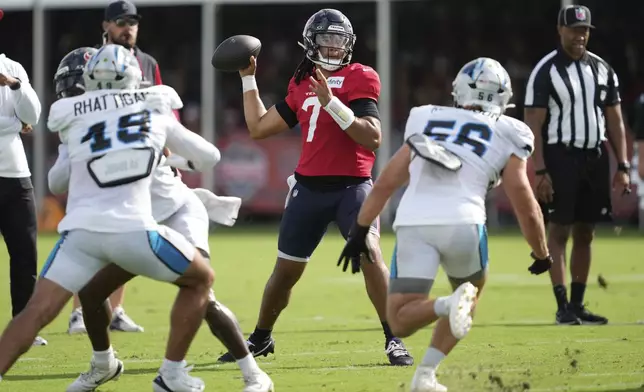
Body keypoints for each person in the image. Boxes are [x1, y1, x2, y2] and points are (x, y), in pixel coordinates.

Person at [48, 47, 273, 392]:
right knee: (92, 294)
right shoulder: (89, 126)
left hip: (176, 214)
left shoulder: (140, 112)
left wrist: (180, 160)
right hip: (137, 225)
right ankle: (103, 364)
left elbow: (195, 154)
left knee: (203, 296)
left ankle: (253, 374)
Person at [0, 45, 219, 392]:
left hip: (79, 235)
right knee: (202, 278)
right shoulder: (153, 108)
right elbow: (209, 157)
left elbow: (56, 182)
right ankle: (172, 375)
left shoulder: (72, 112)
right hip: (132, 228)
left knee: (35, 312)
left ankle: (104, 362)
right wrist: (169, 158)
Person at [338, 58, 553, 391]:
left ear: (458, 91)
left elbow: (386, 182)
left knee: (399, 319)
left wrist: (360, 229)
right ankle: (427, 371)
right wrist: (541, 252)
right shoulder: (510, 130)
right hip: (464, 224)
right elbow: (522, 198)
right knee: (469, 294)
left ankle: (441, 315)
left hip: (413, 224)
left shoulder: (427, 117)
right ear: (503, 97)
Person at [216, 8, 413, 366]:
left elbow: (372, 136)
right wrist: (248, 79)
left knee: (369, 252)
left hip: (352, 187)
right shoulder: (301, 82)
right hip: (308, 189)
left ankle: (394, 337)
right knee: (286, 272)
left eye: (340, 39)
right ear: (311, 42)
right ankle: (260, 338)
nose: (334, 46)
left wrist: (333, 104)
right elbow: (259, 127)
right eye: (327, 38)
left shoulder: (361, 76)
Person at [67, 0, 170, 334]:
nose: (128, 28)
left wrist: (166, 148)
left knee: (128, 228)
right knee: (87, 232)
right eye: (121, 22)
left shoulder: (147, 62)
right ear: (105, 26)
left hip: (133, 156)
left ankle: (117, 308)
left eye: (133, 22)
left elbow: (160, 107)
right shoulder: (87, 58)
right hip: (95, 153)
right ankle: (80, 312)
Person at [523, 5, 630, 325]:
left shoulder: (602, 69)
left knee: (587, 231)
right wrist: (539, 170)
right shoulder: (546, 71)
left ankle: (579, 303)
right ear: (560, 30)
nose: (579, 36)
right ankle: (562, 305)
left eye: (584, 31)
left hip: (594, 156)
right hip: (560, 156)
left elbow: (615, 120)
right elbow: (533, 124)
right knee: (559, 230)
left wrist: (622, 164)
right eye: (574, 30)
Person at [0, 47, 46, 346]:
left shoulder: (12, 67)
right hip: (12, 158)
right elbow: (22, 121)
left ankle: (24, 328)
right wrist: (14, 125)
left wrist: (15, 85)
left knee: (25, 255)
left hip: (15, 173)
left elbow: (33, 115)